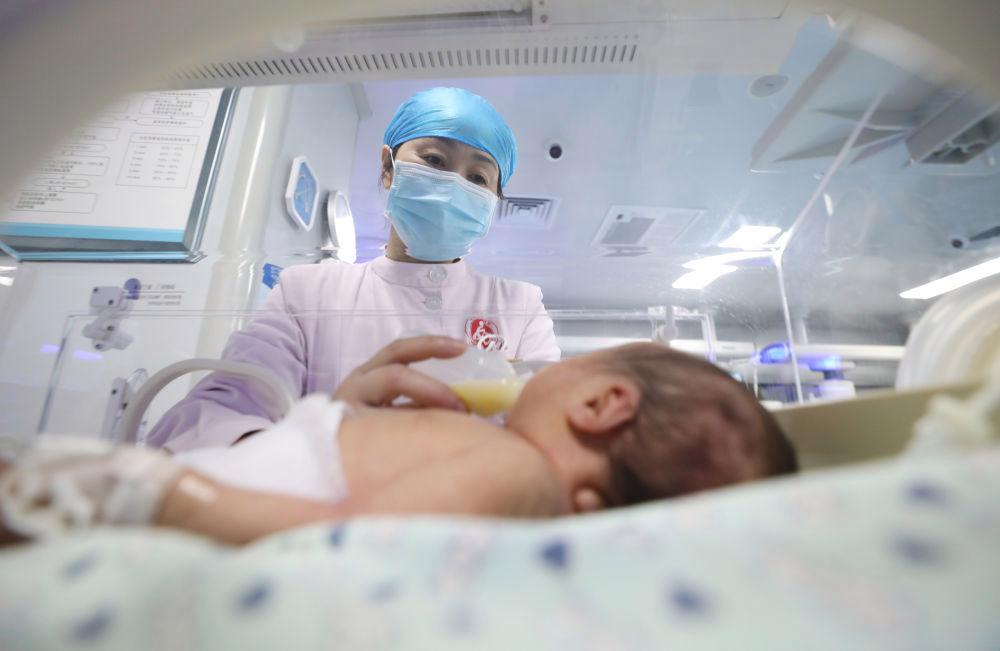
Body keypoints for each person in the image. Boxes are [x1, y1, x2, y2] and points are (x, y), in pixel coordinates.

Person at [0, 341, 797, 546]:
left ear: (600, 403)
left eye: (576, 361)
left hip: (142, 507)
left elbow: (347, 546)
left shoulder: (516, 469)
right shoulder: (507, 468)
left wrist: (160, 495)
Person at [147, 87, 561, 452]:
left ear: (493, 201)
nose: (454, 184)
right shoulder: (307, 292)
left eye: (478, 177)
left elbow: (553, 426)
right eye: (434, 160)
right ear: (388, 167)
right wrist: (319, 447)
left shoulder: (520, 306)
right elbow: (220, 411)